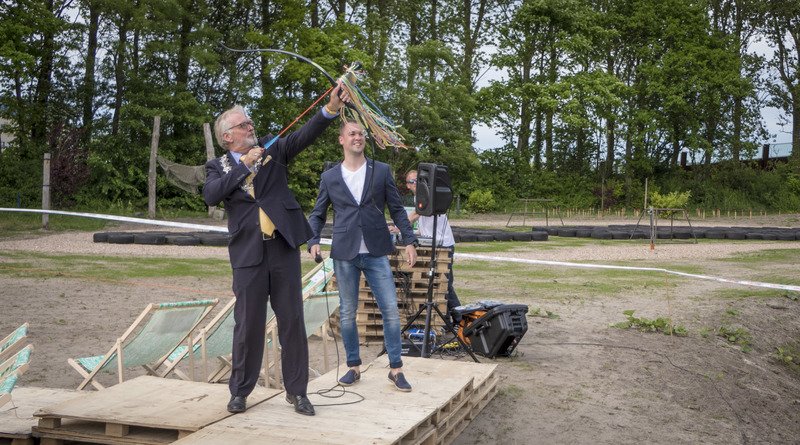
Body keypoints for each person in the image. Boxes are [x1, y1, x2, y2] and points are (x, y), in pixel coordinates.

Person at [203, 84, 350, 416]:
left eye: (250, 122)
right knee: (248, 324)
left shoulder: (273, 149)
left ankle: (297, 392)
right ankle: (240, 391)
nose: (251, 126)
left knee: (292, 322)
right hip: (247, 255)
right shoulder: (218, 167)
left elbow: (304, 135)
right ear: (228, 136)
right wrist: (244, 166)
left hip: (282, 248)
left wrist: (330, 109)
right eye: (243, 125)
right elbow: (211, 196)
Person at [307, 119, 418, 392]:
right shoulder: (330, 177)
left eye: (361, 134)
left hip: (376, 250)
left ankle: (396, 368)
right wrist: (312, 240)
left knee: (390, 310)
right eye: (352, 133)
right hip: (345, 253)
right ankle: (353, 366)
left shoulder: (381, 171)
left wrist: (411, 241)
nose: (358, 137)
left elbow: (397, 209)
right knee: (347, 313)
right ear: (341, 140)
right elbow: (318, 213)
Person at [393, 170, 462, 327]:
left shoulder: (427, 195)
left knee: (446, 283)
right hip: (433, 243)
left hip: (443, 245)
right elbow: (423, 228)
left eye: (418, 180)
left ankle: (460, 319)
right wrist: (410, 234)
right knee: (436, 284)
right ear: (407, 186)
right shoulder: (419, 198)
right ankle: (446, 320)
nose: (415, 183)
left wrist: (399, 227)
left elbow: (416, 215)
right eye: (411, 181)